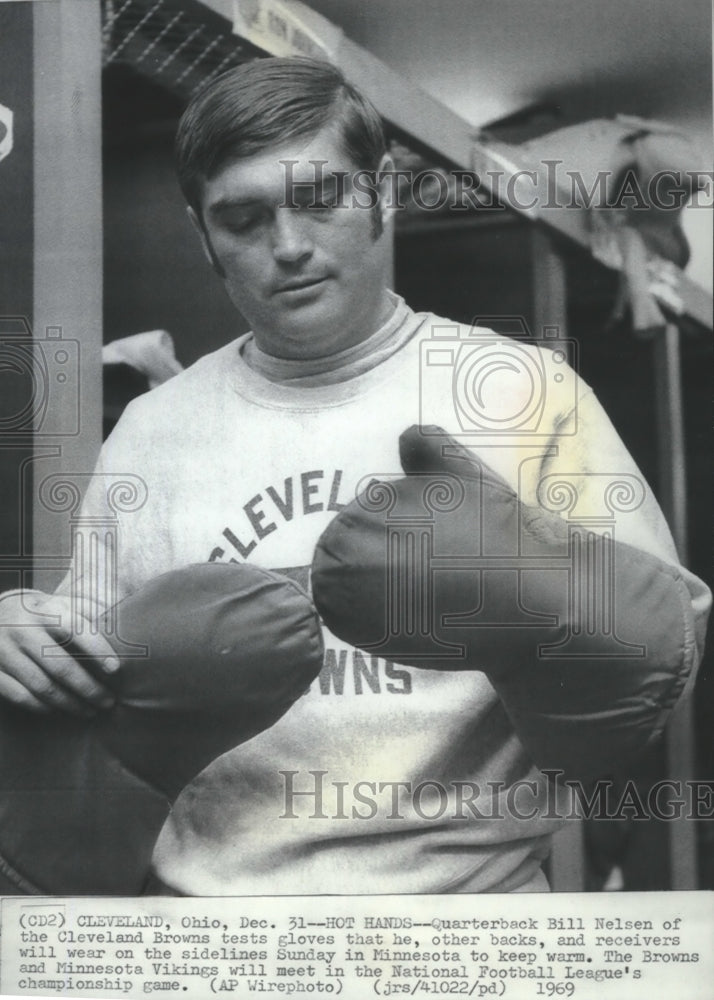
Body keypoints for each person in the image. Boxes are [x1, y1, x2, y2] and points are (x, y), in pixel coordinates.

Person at [0, 57, 709, 895]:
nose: (289, 246)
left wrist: (532, 591)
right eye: (243, 218)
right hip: (209, 933)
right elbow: (86, 671)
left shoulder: (524, 391)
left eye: (320, 198)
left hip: (469, 924)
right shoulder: (152, 430)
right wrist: (20, 639)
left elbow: (660, 656)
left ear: (383, 193)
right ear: (203, 237)